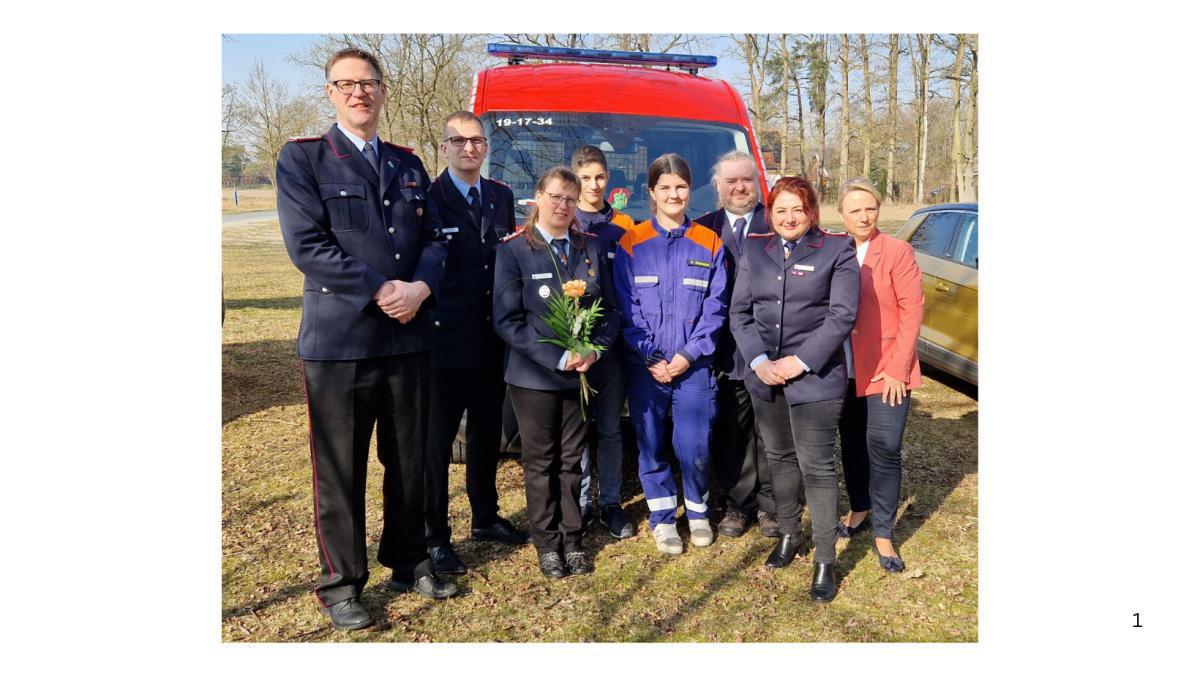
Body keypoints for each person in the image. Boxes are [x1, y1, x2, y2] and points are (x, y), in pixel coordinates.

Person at [276, 48, 459, 631]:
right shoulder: (303, 159)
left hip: (408, 339)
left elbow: (435, 238)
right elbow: (309, 246)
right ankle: (341, 582)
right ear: (330, 92)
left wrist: (422, 288)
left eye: (369, 83)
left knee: (409, 463)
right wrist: (385, 290)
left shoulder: (408, 164)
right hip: (341, 343)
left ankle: (407, 558)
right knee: (341, 468)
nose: (359, 93)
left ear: (383, 91)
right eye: (346, 84)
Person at [729, 177, 859, 602]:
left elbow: (841, 316)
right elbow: (740, 313)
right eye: (780, 210)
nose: (788, 218)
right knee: (778, 458)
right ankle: (788, 532)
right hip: (764, 377)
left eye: (797, 210)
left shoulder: (837, 250)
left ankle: (824, 557)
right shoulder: (755, 248)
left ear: (811, 213)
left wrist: (799, 361)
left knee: (816, 467)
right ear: (770, 212)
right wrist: (759, 361)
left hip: (816, 379)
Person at [492, 166, 618, 578]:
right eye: (555, 196)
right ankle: (547, 544)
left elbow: (610, 311)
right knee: (540, 462)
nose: (563, 205)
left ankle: (573, 539)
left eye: (570, 198)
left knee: (572, 462)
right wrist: (558, 358)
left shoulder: (589, 247)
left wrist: (594, 352)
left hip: (582, 375)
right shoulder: (514, 250)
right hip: (534, 378)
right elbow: (508, 321)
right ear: (538, 198)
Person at [423, 111, 527, 578]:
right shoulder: (429, 197)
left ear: (487, 148)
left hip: (490, 341)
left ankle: (485, 516)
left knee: (487, 436)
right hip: (443, 344)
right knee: (437, 446)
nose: (469, 148)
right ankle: (435, 537)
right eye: (459, 141)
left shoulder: (501, 197)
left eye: (477, 141)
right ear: (444, 147)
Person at [614, 154, 727, 555]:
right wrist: (651, 356)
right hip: (647, 368)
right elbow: (626, 308)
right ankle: (662, 519)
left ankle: (697, 512)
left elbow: (716, 308)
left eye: (680, 187)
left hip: (693, 368)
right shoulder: (633, 243)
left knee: (695, 445)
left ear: (689, 190)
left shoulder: (709, 242)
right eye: (665, 187)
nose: (674, 194)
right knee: (651, 443)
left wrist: (689, 354)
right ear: (652, 193)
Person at [834, 178, 925, 573]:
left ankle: (884, 532)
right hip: (842, 366)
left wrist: (896, 368)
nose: (863, 216)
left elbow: (912, 312)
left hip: (887, 366)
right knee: (851, 442)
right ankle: (860, 508)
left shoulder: (898, 252)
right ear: (842, 214)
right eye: (854, 210)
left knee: (884, 447)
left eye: (869, 208)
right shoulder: (833, 248)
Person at [693, 151, 779, 540]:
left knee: (772, 431)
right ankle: (738, 504)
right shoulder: (702, 229)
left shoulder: (778, 223)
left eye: (746, 179)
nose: (740, 187)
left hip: (773, 346)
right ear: (718, 187)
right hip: (724, 351)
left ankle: (772, 506)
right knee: (733, 430)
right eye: (731, 181)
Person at [571, 145, 635, 539]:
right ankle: (579, 503)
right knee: (577, 430)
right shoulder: (564, 223)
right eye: (585, 178)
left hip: (610, 347)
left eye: (599, 177)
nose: (593, 185)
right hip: (573, 345)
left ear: (608, 179)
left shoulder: (622, 227)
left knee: (610, 428)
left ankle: (610, 502)